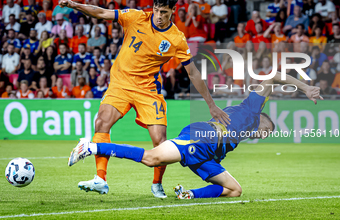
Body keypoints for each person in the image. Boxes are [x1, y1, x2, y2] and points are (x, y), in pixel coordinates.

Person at [59, 0, 230, 198]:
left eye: (164, 12)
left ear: (172, 11)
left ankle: (157, 184)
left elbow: (193, 74)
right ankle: (100, 179)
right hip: (120, 84)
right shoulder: (135, 17)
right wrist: (74, 5)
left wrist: (211, 105)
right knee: (101, 123)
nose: (159, 16)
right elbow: (102, 12)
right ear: (153, 7)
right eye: (157, 10)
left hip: (148, 90)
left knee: (160, 142)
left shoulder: (176, 38)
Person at [68, 71, 323, 199]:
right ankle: (92, 147)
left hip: (209, 154)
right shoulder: (253, 108)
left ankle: (188, 194)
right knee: (151, 158)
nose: (264, 134)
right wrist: (306, 87)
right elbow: (274, 77)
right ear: (263, 118)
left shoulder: (245, 130)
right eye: (267, 129)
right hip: (202, 137)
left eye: (267, 134)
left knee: (234, 190)